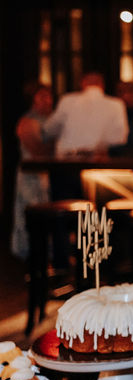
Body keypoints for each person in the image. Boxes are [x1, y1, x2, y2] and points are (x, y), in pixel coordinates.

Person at [11, 83, 53, 260]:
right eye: (42, 96)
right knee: (33, 215)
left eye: (49, 96)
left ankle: (46, 254)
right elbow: (37, 151)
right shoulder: (28, 121)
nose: (48, 100)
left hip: (43, 175)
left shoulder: (49, 119)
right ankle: (34, 255)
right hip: (30, 176)